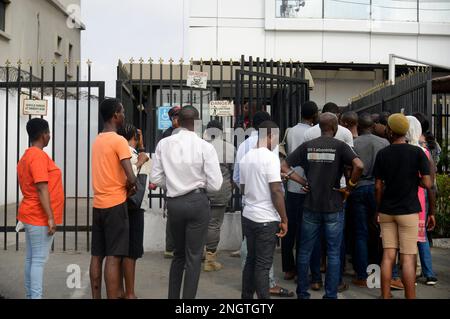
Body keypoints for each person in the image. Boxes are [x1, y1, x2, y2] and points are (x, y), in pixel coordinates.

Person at [282, 112, 364, 299]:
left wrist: (302, 182)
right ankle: (331, 294)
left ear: (319, 127)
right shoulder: (341, 146)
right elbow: (359, 166)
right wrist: (349, 187)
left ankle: (302, 293)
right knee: (334, 253)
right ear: (335, 128)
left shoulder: (307, 146)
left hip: (310, 205)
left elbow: (284, 166)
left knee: (304, 251)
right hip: (334, 205)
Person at [151, 106, 223, 299]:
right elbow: (216, 185)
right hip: (197, 202)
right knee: (193, 258)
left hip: (175, 203)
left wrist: (174, 184)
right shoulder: (205, 147)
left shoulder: (163, 144)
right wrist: (197, 186)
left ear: (177, 122)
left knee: (178, 255)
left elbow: (156, 179)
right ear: (197, 123)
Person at [233, 111, 294, 297]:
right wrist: (284, 219)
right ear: (270, 135)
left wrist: (258, 186)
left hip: (249, 216)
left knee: (251, 261)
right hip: (266, 218)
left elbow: (243, 187)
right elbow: (276, 191)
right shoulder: (270, 158)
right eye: (276, 138)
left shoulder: (245, 158)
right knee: (263, 264)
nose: (276, 143)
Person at [374, 113, 433, 299]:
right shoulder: (416, 152)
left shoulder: (383, 153)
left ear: (390, 131)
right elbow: (428, 183)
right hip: (408, 211)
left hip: (387, 211)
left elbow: (378, 185)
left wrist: (377, 209)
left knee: (388, 255)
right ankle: (410, 296)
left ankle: (385, 295)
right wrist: (415, 179)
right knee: (408, 257)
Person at [303, 102, 354, 292]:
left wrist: (307, 180)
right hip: (337, 191)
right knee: (336, 242)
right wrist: (349, 187)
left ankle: (315, 279)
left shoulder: (309, 134)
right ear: (336, 120)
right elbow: (352, 164)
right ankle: (336, 281)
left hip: (314, 189)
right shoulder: (346, 134)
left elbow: (304, 160)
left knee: (314, 239)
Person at [90, 98, 137, 299]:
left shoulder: (97, 140)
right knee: (114, 256)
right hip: (115, 205)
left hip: (98, 204)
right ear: (115, 115)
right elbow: (131, 176)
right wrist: (132, 183)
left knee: (97, 255)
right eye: (122, 111)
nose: (124, 115)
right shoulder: (119, 141)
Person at [17, 118, 64, 299]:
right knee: (38, 260)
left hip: (31, 214)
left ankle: (31, 296)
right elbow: (41, 187)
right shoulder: (37, 156)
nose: (50, 136)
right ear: (43, 135)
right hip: (38, 216)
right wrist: (50, 218)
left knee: (31, 259)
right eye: (49, 133)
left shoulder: (27, 155)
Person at [282, 101, 321, 285]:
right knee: (306, 232)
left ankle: (288, 268)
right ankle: (302, 269)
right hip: (307, 185)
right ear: (314, 115)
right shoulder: (314, 133)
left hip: (291, 183)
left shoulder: (290, 131)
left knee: (290, 228)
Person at [349, 113, 389, 287]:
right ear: (373, 126)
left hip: (358, 188)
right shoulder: (384, 143)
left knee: (360, 233)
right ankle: (377, 273)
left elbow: (349, 167)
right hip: (377, 189)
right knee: (378, 232)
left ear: (358, 126)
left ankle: (361, 275)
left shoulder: (353, 144)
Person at [117, 123, 150, 299]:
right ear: (134, 138)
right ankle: (130, 293)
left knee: (122, 251)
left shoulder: (121, 152)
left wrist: (141, 147)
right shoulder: (132, 155)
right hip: (134, 207)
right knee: (131, 252)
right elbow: (130, 178)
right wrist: (142, 160)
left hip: (122, 205)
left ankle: (122, 290)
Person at [405, 116, 438, 286]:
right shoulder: (424, 152)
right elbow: (430, 184)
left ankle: (408, 275)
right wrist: (432, 211)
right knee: (421, 236)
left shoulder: (397, 150)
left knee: (406, 240)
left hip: (403, 200)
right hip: (420, 198)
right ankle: (429, 273)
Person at [203, 120, 235, 272]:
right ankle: (210, 259)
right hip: (220, 190)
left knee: (201, 223)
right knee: (214, 224)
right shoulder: (229, 148)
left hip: (202, 190)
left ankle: (199, 254)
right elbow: (235, 172)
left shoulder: (201, 146)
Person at [159, 105, 181, 258]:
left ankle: (178, 246)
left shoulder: (185, 133)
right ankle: (170, 247)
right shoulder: (167, 134)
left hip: (183, 175)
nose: (177, 119)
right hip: (171, 177)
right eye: (175, 117)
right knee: (173, 213)